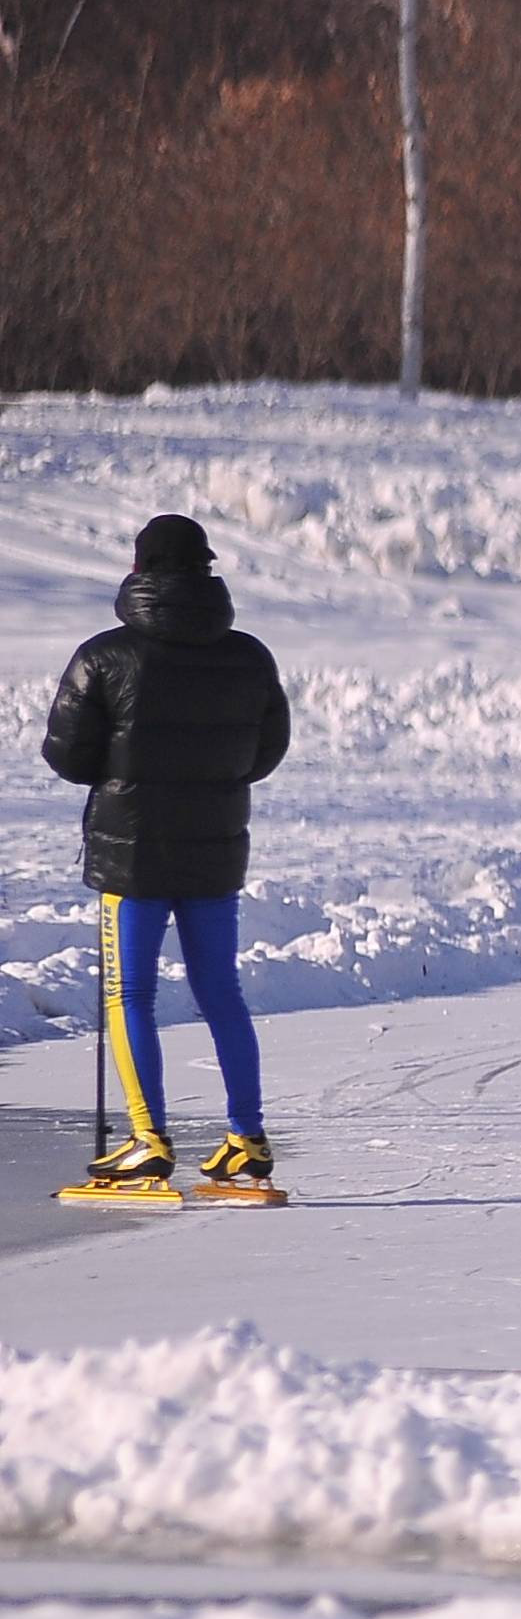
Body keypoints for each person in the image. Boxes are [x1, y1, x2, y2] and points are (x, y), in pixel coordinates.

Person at [40, 513, 291, 1198]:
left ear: (140, 570)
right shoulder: (249, 656)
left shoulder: (105, 656)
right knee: (220, 990)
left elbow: (65, 753)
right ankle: (247, 1139)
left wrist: (120, 767)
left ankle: (148, 1142)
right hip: (214, 850)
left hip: (131, 854)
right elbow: (265, 752)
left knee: (131, 994)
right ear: (206, 570)